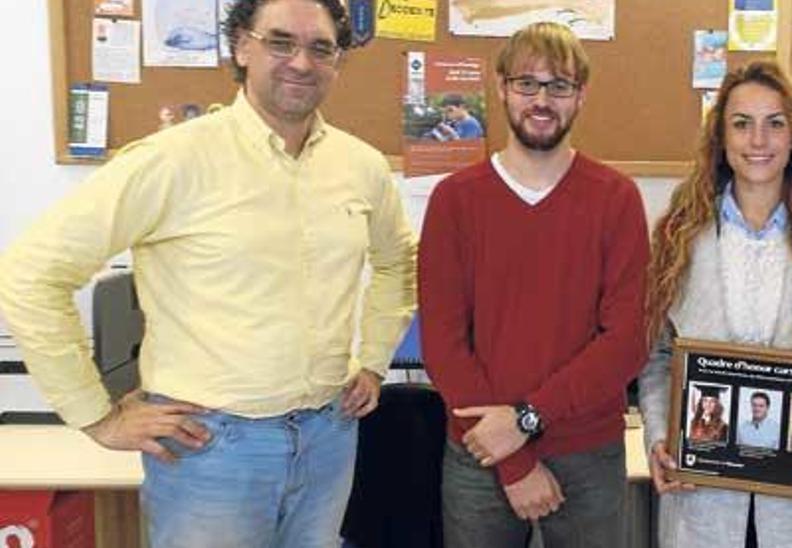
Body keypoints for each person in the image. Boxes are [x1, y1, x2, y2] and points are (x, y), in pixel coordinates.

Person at [0, 0, 416, 545]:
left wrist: (375, 361)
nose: (301, 62)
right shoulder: (172, 160)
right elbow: (30, 273)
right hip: (210, 449)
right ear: (242, 45)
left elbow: (397, 263)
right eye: (280, 41)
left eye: (321, 48)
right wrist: (96, 417)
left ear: (338, 61)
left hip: (328, 437)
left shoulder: (361, 167)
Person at [418, 21, 649, 548]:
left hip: (587, 453)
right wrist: (514, 460)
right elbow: (444, 346)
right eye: (527, 84)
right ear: (500, 88)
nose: (542, 100)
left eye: (559, 86)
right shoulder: (456, 200)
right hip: (480, 452)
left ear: (581, 96)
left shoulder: (616, 199)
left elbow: (627, 340)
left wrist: (526, 418)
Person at [637, 59, 792, 548]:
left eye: (775, 123)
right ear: (721, 140)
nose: (758, 141)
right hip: (704, 491)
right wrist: (662, 438)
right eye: (741, 124)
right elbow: (659, 355)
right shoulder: (678, 234)